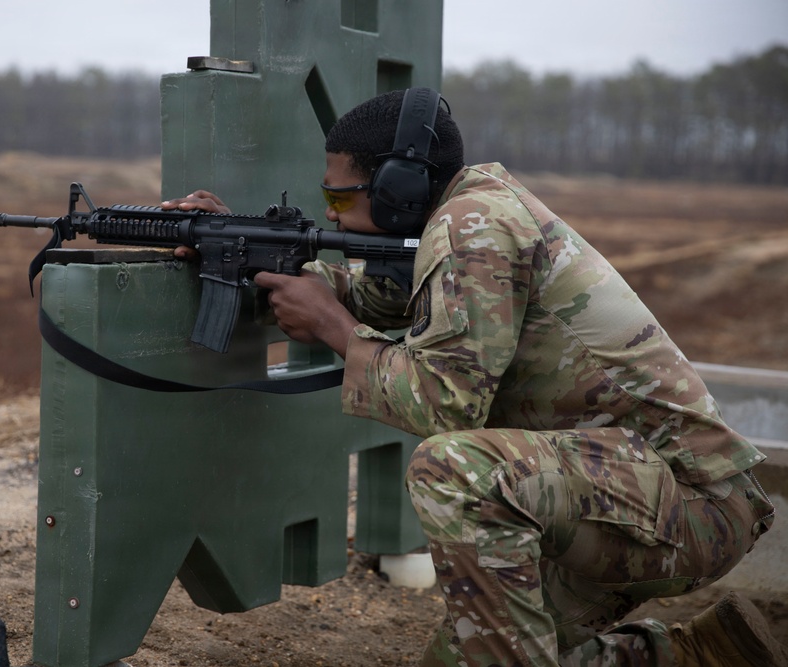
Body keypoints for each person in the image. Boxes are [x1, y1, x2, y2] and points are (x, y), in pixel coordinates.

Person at [162, 89, 782, 666]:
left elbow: (445, 406)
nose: (332, 213)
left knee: (454, 470)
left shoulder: (474, 227)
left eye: (342, 199)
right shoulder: (466, 211)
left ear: (400, 188)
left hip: (686, 504)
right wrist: (246, 246)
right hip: (614, 492)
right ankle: (693, 654)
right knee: (467, 656)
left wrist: (335, 329)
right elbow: (389, 300)